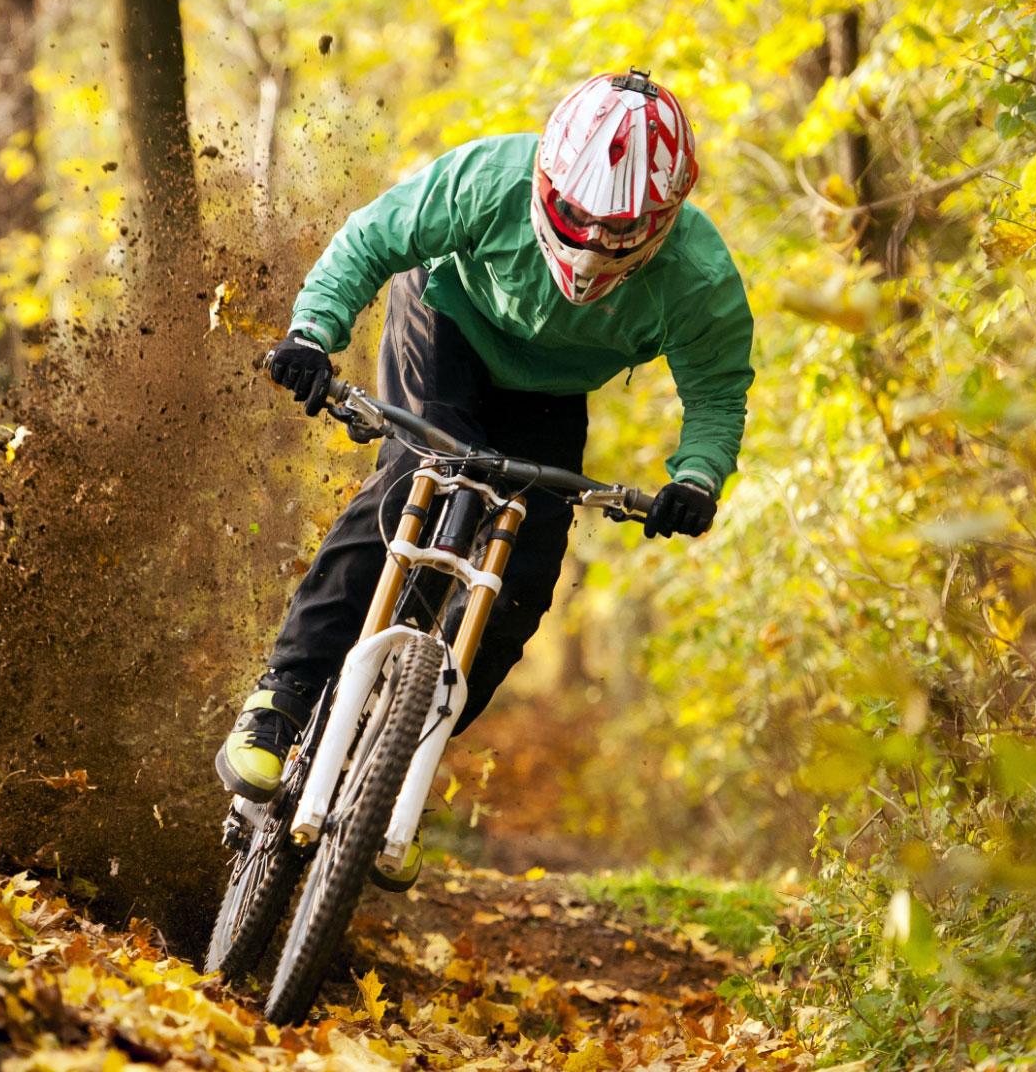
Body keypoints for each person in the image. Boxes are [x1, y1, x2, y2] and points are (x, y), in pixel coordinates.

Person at [215, 70, 755, 889]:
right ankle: (281, 698)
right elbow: (370, 241)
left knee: (527, 581)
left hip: (552, 390)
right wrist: (314, 336)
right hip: (449, 323)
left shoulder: (699, 277)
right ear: (546, 182)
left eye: (621, 234)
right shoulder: (486, 180)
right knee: (415, 480)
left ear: (665, 220)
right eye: (575, 219)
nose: (592, 247)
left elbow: (716, 388)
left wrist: (698, 477)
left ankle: (398, 764)